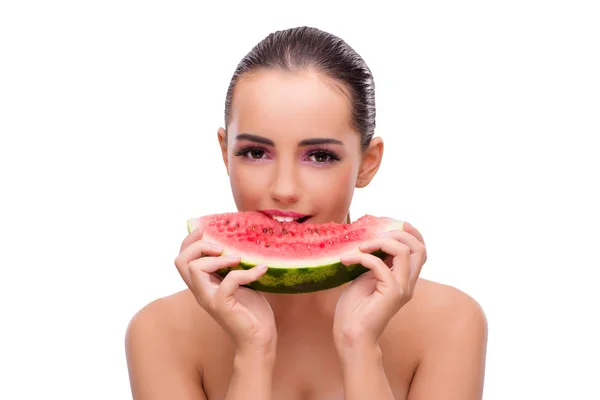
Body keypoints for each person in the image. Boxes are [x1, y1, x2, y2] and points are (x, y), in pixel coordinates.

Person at [125, 26, 488, 400]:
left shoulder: (451, 323)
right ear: (225, 152)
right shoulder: (158, 332)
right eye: (255, 152)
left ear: (367, 163)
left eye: (319, 156)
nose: (284, 188)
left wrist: (359, 347)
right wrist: (253, 352)